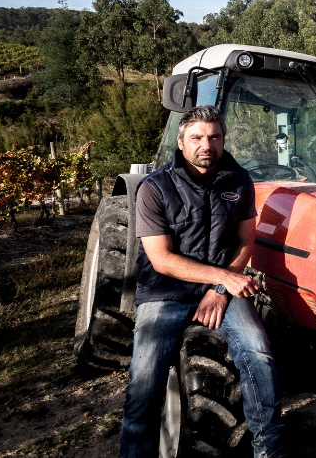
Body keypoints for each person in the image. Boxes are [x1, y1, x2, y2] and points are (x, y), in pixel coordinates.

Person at [120, 105, 286, 458]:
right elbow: (162, 259)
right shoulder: (154, 188)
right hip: (166, 292)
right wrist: (222, 278)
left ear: (223, 141)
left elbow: (245, 243)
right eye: (196, 138)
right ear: (180, 143)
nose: (206, 144)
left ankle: (269, 450)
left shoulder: (239, 181)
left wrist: (220, 290)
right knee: (144, 382)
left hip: (221, 290)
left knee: (260, 354)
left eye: (214, 137)